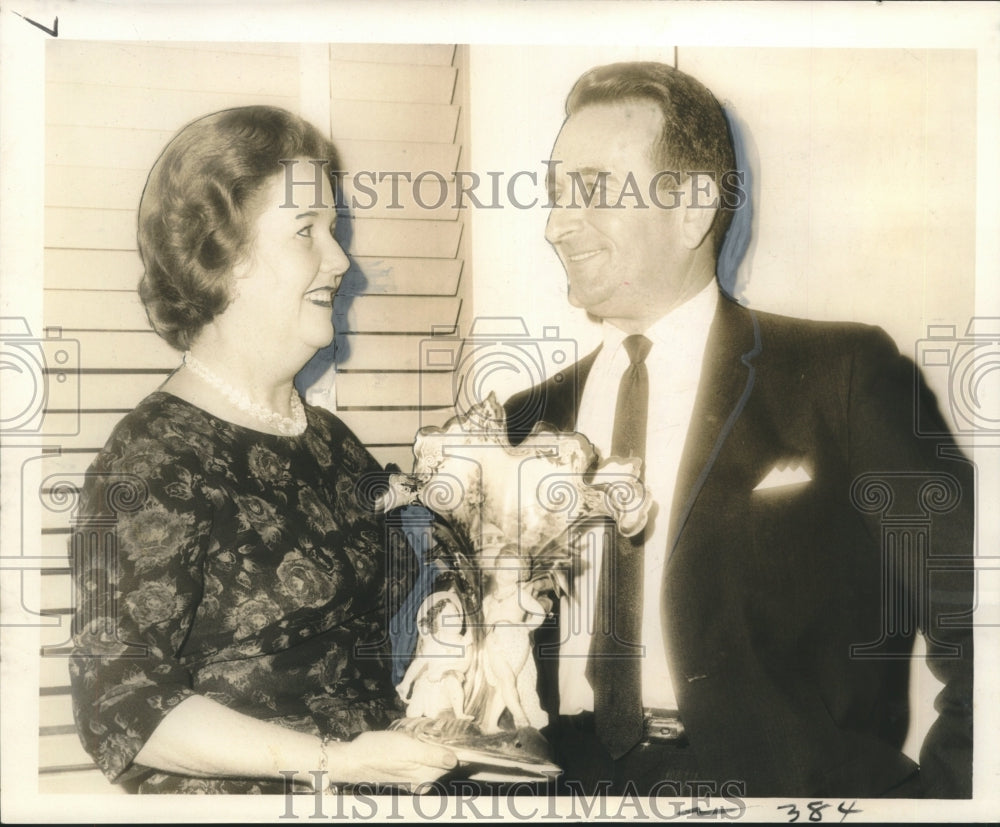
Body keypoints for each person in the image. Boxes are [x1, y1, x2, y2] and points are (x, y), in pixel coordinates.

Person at [505, 62, 974, 798]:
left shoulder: (844, 375)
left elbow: (982, 620)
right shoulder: (523, 419)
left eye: (592, 189)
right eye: (556, 194)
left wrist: (946, 809)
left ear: (694, 207)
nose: (557, 224)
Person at [68, 106, 455, 794]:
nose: (341, 260)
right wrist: (334, 761)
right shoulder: (153, 461)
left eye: (332, 230)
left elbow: (406, 608)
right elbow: (122, 707)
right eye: (306, 231)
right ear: (225, 258)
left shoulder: (330, 441)